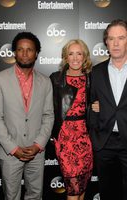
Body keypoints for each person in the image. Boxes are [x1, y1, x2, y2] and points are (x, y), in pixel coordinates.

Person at [0, 32, 54, 200]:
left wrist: (38, 144)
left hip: (36, 153)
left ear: (37, 53)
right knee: (11, 196)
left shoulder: (45, 81)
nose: (25, 54)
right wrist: (13, 148)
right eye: (20, 49)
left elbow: (48, 116)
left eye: (29, 49)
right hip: (10, 152)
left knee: (35, 195)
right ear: (14, 52)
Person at [50, 39, 95, 200]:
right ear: (65, 57)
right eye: (71, 54)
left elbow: (99, 103)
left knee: (82, 187)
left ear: (85, 57)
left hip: (85, 138)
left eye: (79, 53)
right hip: (65, 140)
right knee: (73, 189)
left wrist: (98, 107)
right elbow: (47, 110)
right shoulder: (55, 79)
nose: (75, 58)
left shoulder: (91, 79)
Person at [90, 19, 127, 200]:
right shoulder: (96, 72)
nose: (116, 43)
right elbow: (91, 106)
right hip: (104, 143)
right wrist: (95, 137)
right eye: (111, 39)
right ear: (106, 42)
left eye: (121, 38)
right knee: (107, 193)